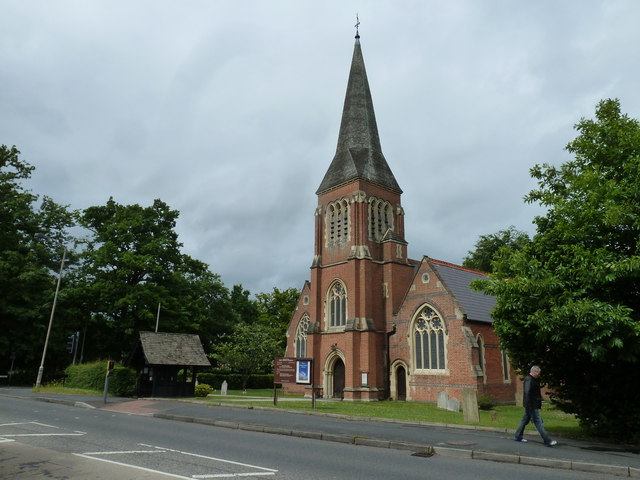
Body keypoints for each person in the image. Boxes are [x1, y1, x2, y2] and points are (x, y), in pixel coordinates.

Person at [513, 365, 558, 446]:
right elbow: (527, 392)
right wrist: (529, 405)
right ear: (534, 371)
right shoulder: (529, 379)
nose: (539, 374)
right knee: (538, 422)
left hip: (532, 404)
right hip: (531, 405)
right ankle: (547, 441)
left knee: (525, 420)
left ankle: (517, 436)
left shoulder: (533, 379)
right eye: (538, 373)